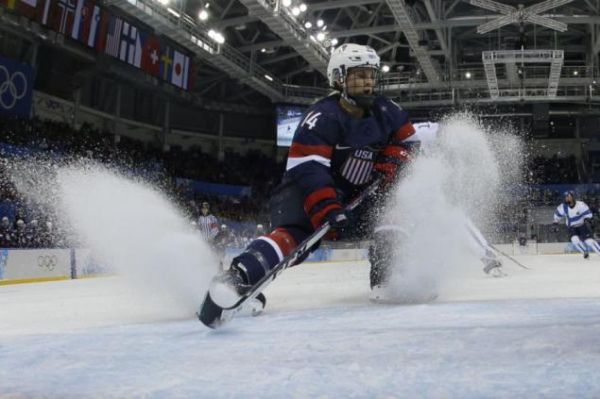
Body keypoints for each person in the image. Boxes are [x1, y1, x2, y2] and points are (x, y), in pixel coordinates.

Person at [205, 43, 415, 309]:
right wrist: (327, 206)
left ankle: (386, 280)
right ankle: (238, 277)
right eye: (360, 75)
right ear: (339, 79)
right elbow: (309, 169)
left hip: (358, 194)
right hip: (304, 192)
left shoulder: (388, 110)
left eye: (371, 75)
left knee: (397, 210)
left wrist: (390, 162)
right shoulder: (321, 117)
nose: (368, 82)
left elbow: (409, 142)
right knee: (295, 238)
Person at [406, 121, 504, 276]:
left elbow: (441, 131)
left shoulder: (414, 131)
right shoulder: (386, 145)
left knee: (454, 217)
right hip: (418, 188)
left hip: (434, 182)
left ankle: (488, 256)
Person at [553, 190, 600, 258]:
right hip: (572, 228)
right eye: (566, 197)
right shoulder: (562, 207)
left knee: (589, 241)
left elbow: (589, 214)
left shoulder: (581, 205)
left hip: (582, 226)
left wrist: (588, 220)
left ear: (573, 197)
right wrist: (555, 224)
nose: (567, 198)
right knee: (574, 240)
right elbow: (556, 217)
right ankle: (585, 252)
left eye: (569, 196)